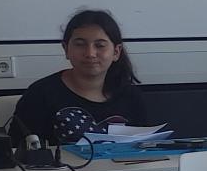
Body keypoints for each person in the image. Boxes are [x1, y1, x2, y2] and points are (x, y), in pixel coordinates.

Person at [12, 8, 151, 148]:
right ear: (66, 49)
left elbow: (146, 149)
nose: (90, 53)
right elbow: (16, 150)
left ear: (116, 52)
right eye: (80, 44)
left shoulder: (131, 97)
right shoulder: (40, 94)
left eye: (100, 45)